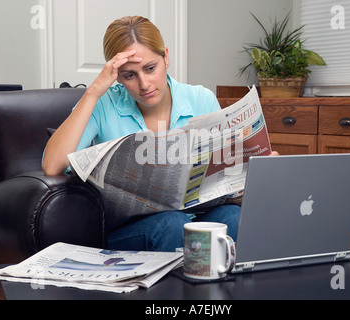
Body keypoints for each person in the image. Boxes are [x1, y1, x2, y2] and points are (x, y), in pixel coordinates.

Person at [42, 16, 272, 252]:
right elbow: (52, 166)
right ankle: (181, 290)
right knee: (172, 224)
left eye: (150, 68)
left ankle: (221, 288)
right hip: (133, 229)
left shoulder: (200, 99)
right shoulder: (104, 104)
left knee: (233, 217)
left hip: (196, 216)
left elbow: (226, 173)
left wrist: (252, 171)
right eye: (129, 75)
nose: (144, 84)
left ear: (166, 57)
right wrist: (92, 93)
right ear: (116, 76)